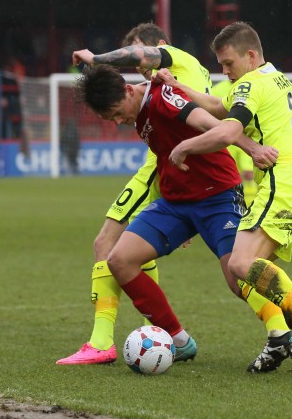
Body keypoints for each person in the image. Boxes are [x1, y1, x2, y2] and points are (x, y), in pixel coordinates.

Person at [74, 63, 292, 373]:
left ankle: (289, 332)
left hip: (218, 196)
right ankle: (178, 341)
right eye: (110, 119)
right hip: (176, 204)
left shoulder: (163, 96)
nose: (118, 121)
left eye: (116, 112)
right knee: (119, 259)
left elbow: (208, 123)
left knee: (238, 275)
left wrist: (252, 147)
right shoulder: (139, 111)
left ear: (127, 90)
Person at [162, 22, 292, 371]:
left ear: (250, 55)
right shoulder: (274, 78)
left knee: (240, 264)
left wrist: (185, 146)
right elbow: (218, 104)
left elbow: (228, 129)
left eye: (228, 63)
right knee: (255, 272)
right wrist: (178, 86)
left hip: (283, 181)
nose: (224, 70)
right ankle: (279, 339)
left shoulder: (250, 83)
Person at [57, 23, 214, 366]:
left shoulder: (175, 61)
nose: (140, 67)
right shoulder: (179, 77)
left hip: (159, 169)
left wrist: (96, 58)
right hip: (176, 170)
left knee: (106, 243)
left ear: (159, 46)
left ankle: (103, 341)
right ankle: (158, 331)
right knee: (136, 247)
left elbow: (140, 57)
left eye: (143, 57)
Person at [211, 79, 258, 205]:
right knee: (226, 177)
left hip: (246, 137)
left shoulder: (253, 87)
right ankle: (230, 205)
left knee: (249, 175)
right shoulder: (217, 89)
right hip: (224, 139)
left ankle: (250, 205)